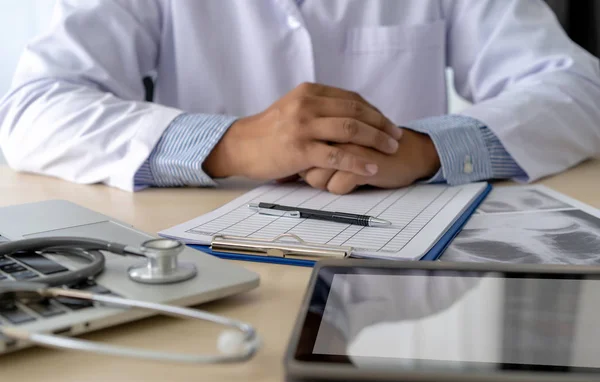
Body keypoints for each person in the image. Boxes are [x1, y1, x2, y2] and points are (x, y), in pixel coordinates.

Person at [0, 0, 599, 194]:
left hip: (403, 281)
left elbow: (581, 87)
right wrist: (228, 144)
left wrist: (427, 148)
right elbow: (32, 108)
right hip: (204, 267)